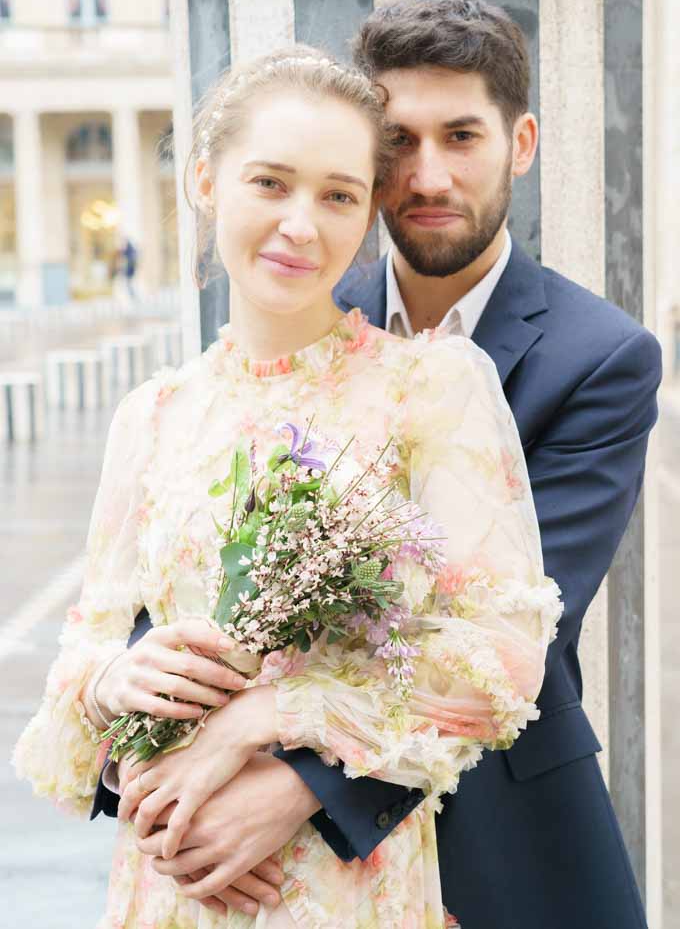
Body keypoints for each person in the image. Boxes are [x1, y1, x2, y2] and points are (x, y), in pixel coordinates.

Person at [92, 0, 661, 928]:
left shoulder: (597, 356)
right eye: (400, 144)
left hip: (485, 830)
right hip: (210, 835)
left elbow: (518, 630)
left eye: (463, 137)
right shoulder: (293, 283)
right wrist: (145, 747)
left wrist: (289, 781)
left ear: (519, 145)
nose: (428, 175)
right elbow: (168, 576)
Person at [13, 47, 561, 927]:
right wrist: (114, 685)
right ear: (205, 180)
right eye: (271, 183)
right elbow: (81, 655)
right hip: (172, 883)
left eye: (339, 195)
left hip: (344, 887)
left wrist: (266, 716)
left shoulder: (431, 389)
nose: (301, 225)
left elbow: (499, 659)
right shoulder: (153, 414)